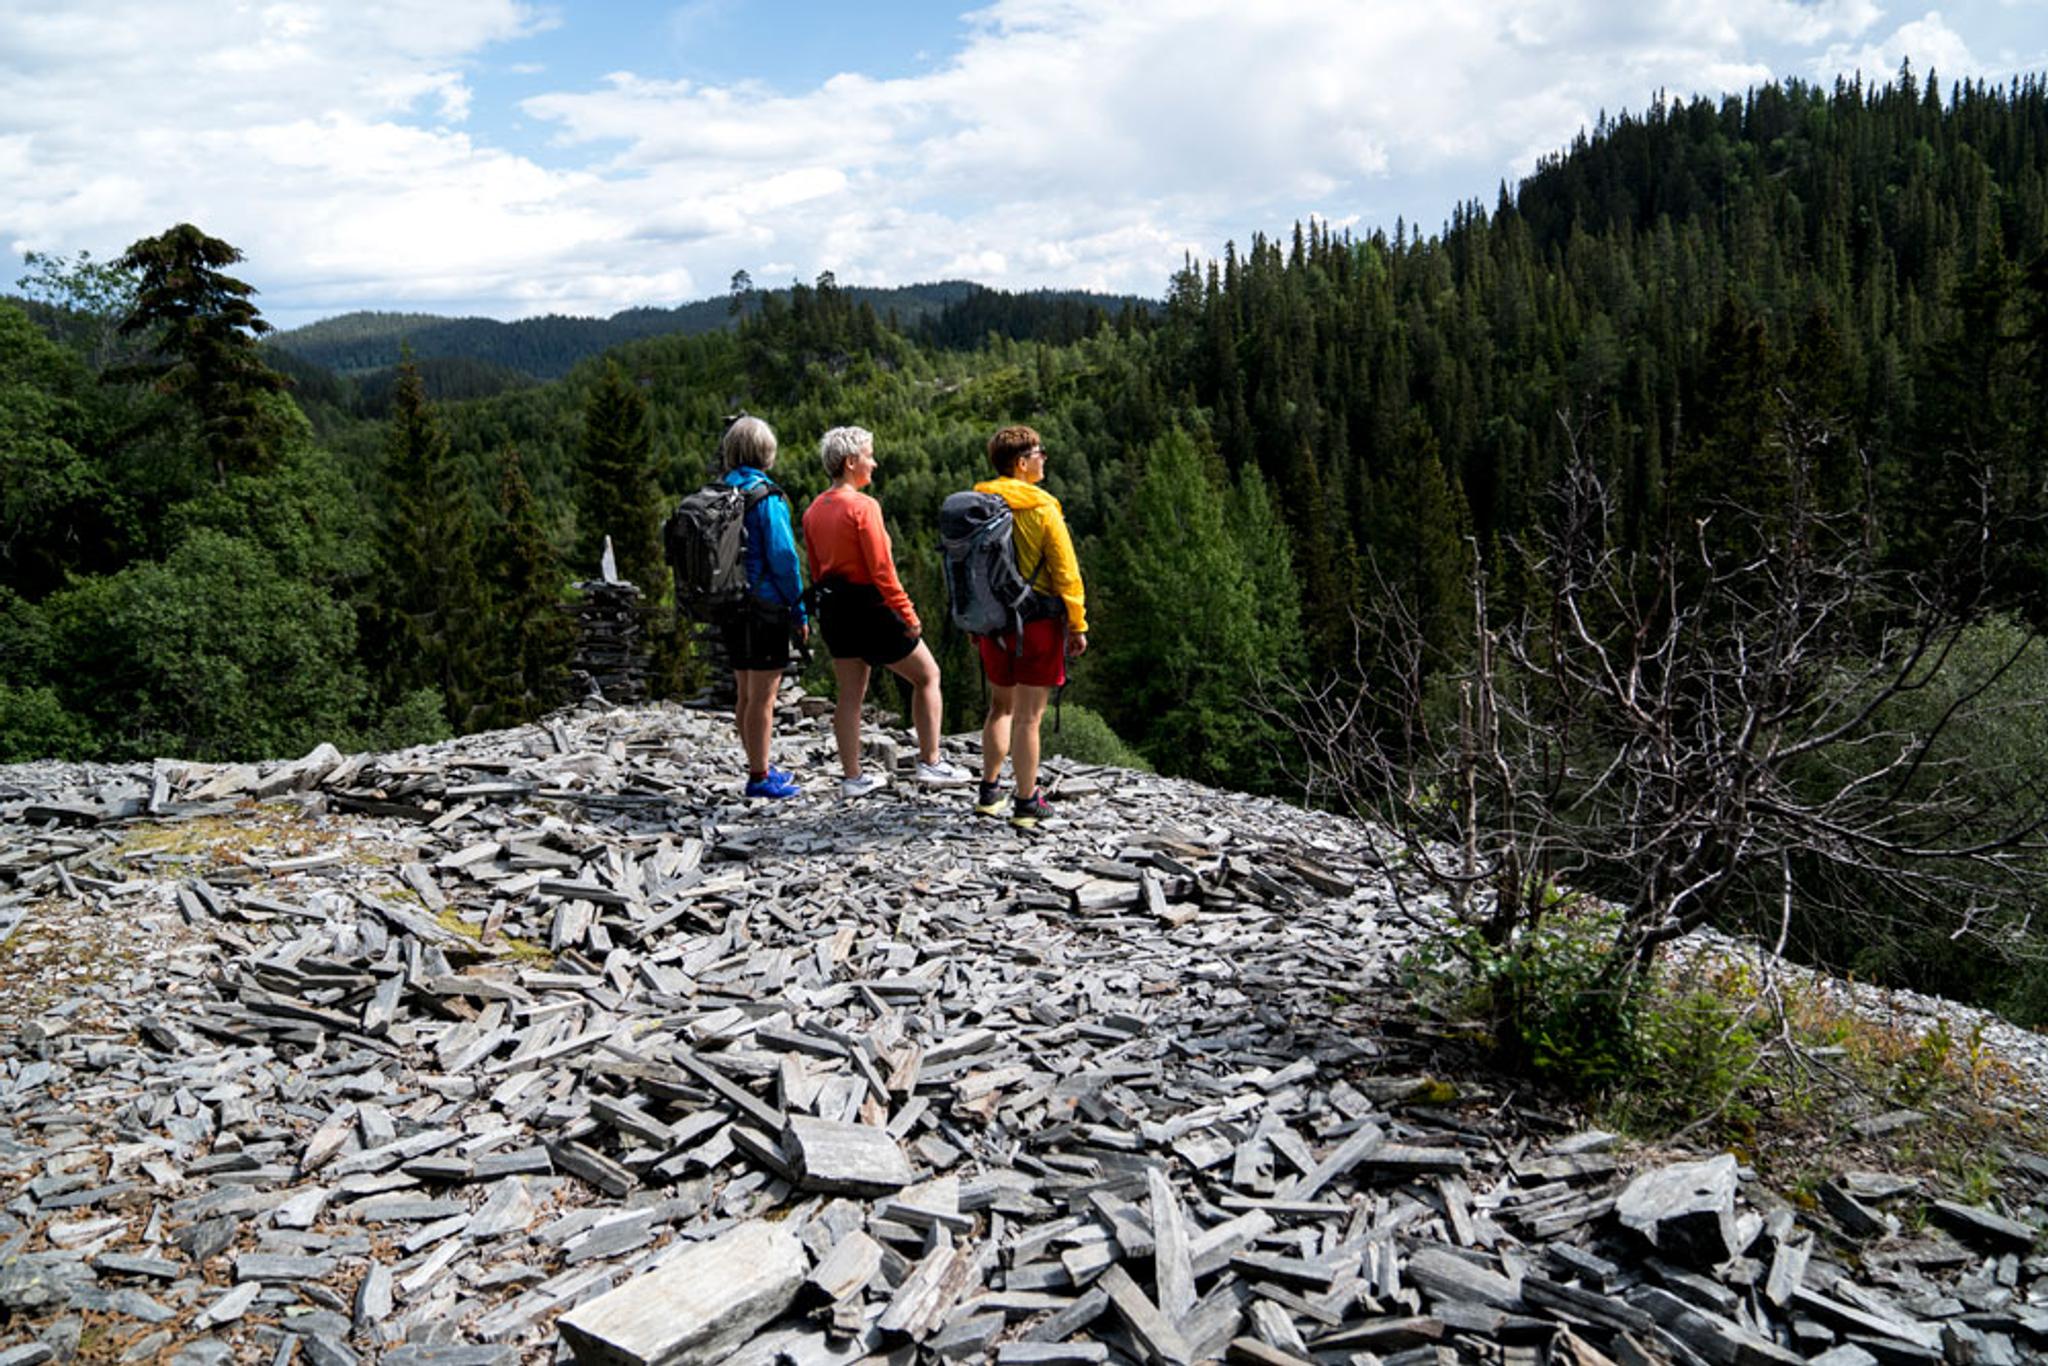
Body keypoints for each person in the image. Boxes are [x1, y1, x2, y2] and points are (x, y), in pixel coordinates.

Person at [802, 426, 974, 798]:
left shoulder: (813, 510)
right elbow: (882, 570)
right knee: (927, 676)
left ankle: (852, 778)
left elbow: (816, 570)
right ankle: (930, 762)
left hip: (833, 610)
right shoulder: (864, 507)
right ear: (851, 462)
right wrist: (907, 614)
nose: (874, 463)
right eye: (869, 455)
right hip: (870, 608)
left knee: (850, 693)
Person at [972, 424, 1086, 828]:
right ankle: (1026, 802)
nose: (1044, 459)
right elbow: (1065, 572)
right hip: (1036, 625)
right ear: (1021, 463)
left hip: (991, 624)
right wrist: (1077, 623)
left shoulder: (979, 502)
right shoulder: (1042, 508)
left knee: (1000, 707)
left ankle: (989, 792)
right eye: (1039, 453)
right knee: (1028, 719)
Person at [717, 415, 807, 799]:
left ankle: (759, 764)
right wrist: (799, 611)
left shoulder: (722, 492)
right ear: (766, 451)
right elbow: (784, 557)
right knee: (763, 698)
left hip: (730, 604)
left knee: (745, 693)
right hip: (765, 606)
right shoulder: (766, 497)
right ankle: (759, 777)